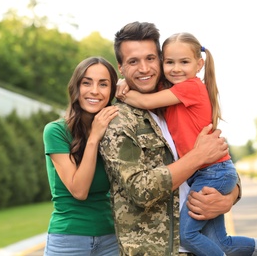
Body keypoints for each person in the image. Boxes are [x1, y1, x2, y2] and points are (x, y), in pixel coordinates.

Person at [99, 21, 242, 256]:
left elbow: (218, 159)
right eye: (133, 62)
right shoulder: (119, 120)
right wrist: (197, 157)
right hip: (159, 250)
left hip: (198, 247)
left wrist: (230, 196)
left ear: (159, 60)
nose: (144, 69)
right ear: (121, 68)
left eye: (150, 58)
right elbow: (139, 189)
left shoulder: (173, 101)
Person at [42, 56, 120, 255]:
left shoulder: (117, 130)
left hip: (111, 237)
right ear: (76, 87)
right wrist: (94, 137)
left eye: (103, 84)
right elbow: (79, 190)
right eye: (87, 83)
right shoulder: (55, 131)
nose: (94, 90)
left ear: (112, 91)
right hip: (68, 240)